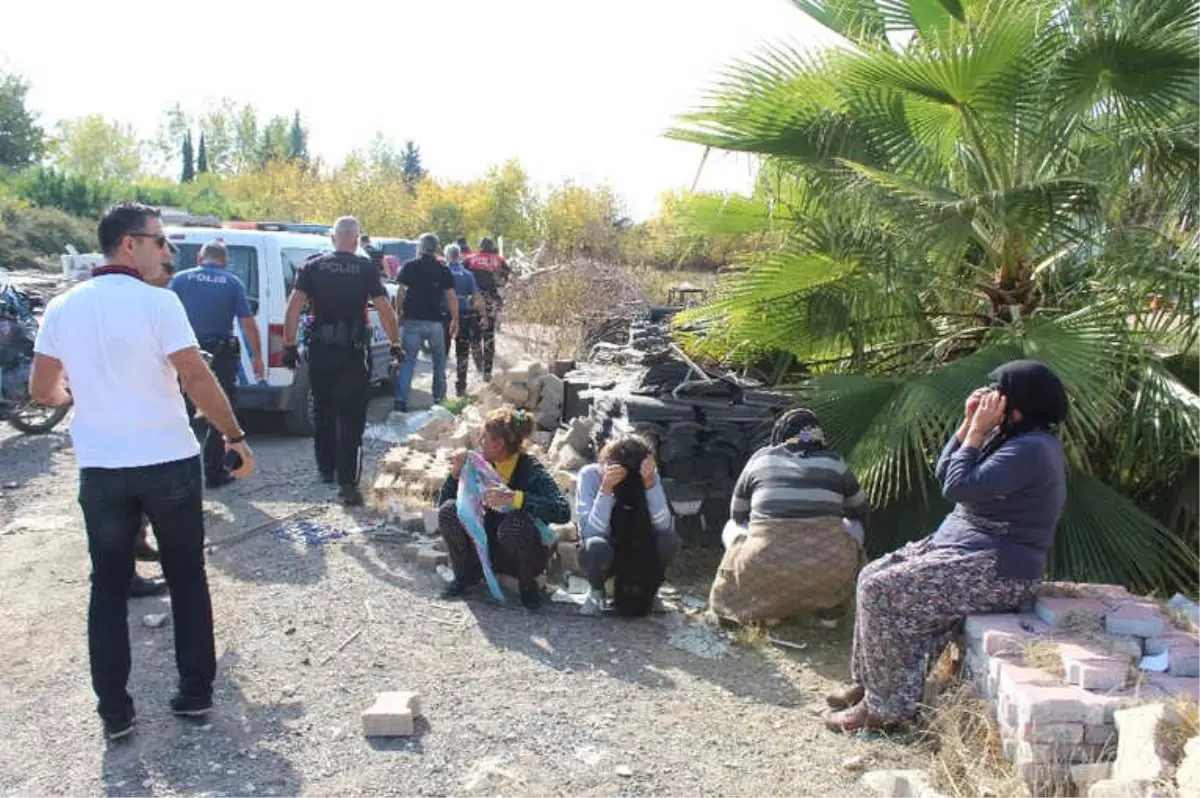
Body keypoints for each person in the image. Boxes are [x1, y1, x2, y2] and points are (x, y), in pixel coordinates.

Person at [29, 202, 256, 742]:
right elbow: (196, 379)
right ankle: (195, 694)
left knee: (106, 587)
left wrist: (73, 394)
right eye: (159, 241)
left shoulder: (62, 308)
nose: (166, 252)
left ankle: (115, 711)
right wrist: (234, 437)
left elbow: (41, 391)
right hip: (167, 464)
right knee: (187, 577)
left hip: (103, 470)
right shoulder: (159, 304)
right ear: (129, 244)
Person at [824, 361, 1069, 733]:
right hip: (966, 550)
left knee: (883, 590)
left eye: (997, 393)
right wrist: (969, 425)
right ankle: (871, 683)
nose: (989, 399)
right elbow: (945, 471)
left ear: (1018, 403)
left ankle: (887, 711)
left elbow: (958, 488)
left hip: (1000, 566)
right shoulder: (1010, 436)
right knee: (872, 574)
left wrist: (977, 432)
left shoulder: (1032, 447)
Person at [707, 408, 868, 625]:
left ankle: (766, 601)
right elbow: (859, 509)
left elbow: (737, 513)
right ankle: (829, 608)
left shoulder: (760, 459)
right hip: (827, 566)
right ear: (817, 435)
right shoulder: (835, 463)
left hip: (763, 562)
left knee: (731, 527)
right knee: (854, 525)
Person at [282, 216, 401, 506]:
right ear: (357, 240)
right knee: (351, 417)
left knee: (323, 410)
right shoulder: (364, 268)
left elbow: (294, 306)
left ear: (334, 238)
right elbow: (384, 308)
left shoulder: (313, 266)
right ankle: (347, 483)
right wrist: (395, 342)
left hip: (321, 350)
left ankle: (326, 469)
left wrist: (288, 345)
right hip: (353, 352)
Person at [437, 407, 571, 612]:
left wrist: (516, 499)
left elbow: (562, 511)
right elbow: (445, 507)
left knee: (514, 524)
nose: (480, 443)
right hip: (487, 549)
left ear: (499, 444)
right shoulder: (479, 465)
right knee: (448, 510)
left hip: (521, 553)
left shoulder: (531, 470)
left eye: (484, 438)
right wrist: (455, 474)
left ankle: (527, 586)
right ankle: (465, 576)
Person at [169, 240, 264, 488]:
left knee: (180, 413)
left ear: (200, 258)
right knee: (218, 412)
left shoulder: (179, 280)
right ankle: (214, 472)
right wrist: (257, 357)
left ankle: (178, 476)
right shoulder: (233, 283)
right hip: (220, 356)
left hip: (184, 354)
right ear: (225, 261)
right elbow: (247, 323)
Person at [575, 435, 679, 616]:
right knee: (595, 546)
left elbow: (663, 526)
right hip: (608, 548)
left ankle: (651, 590)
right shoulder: (590, 475)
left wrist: (650, 485)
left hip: (640, 547)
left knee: (669, 540)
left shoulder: (649, 476)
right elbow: (591, 531)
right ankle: (596, 591)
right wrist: (606, 490)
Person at [393, 233, 457, 412]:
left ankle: (400, 401)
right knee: (439, 361)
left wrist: (399, 313)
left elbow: (400, 292)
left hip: (412, 321)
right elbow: (452, 297)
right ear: (436, 248)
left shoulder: (409, 266)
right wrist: (455, 320)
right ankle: (438, 399)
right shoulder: (443, 270)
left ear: (420, 247)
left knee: (407, 361)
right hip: (436, 322)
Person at [440, 244, 489, 398]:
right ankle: (461, 387)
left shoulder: (442, 271)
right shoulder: (467, 274)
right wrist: (483, 315)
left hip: (444, 314)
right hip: (465, 315)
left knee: (442, 352)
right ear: (459, 256)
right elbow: (477, 296)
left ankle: (440, 387)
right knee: (462, 352)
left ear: (446, 256)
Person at [464, 237, 510, 381]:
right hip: (491, 300)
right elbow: (504, 278)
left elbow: (464, 276)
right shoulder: (499, 260)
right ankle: (487, 371)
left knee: (474, 335)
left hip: (473, 300)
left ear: (480, 247)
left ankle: (479, 365)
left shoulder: (470, 259)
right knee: (489, 335)